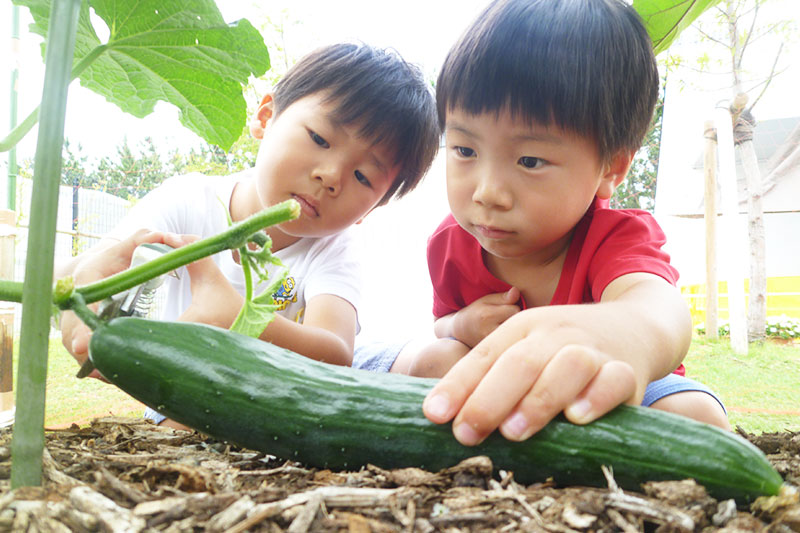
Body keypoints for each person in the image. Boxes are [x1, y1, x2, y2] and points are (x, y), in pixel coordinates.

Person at [354, 0, 730, 444]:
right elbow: (444, 319)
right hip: (493, 385)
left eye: (530, 160)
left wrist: (625, 334)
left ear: (611, 168)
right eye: (464, 151)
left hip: (609, 392)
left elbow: (660, 309)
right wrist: (460, 326)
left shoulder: (616, 238)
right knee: (437, 359)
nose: (487, 192)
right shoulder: (450, 242)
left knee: (696, 414)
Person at [57, 42, 440, 428]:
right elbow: (99, 266)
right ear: (266, 116)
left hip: (302, 386)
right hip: (193, 382)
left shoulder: (335, 249)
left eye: (363, 177)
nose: (332, 176)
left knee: (440, 361)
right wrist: (84, 311)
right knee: (183, 428)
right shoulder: (187, 199)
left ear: (372, 209)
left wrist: (237, 316)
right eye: (320, 139)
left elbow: (336, 355)